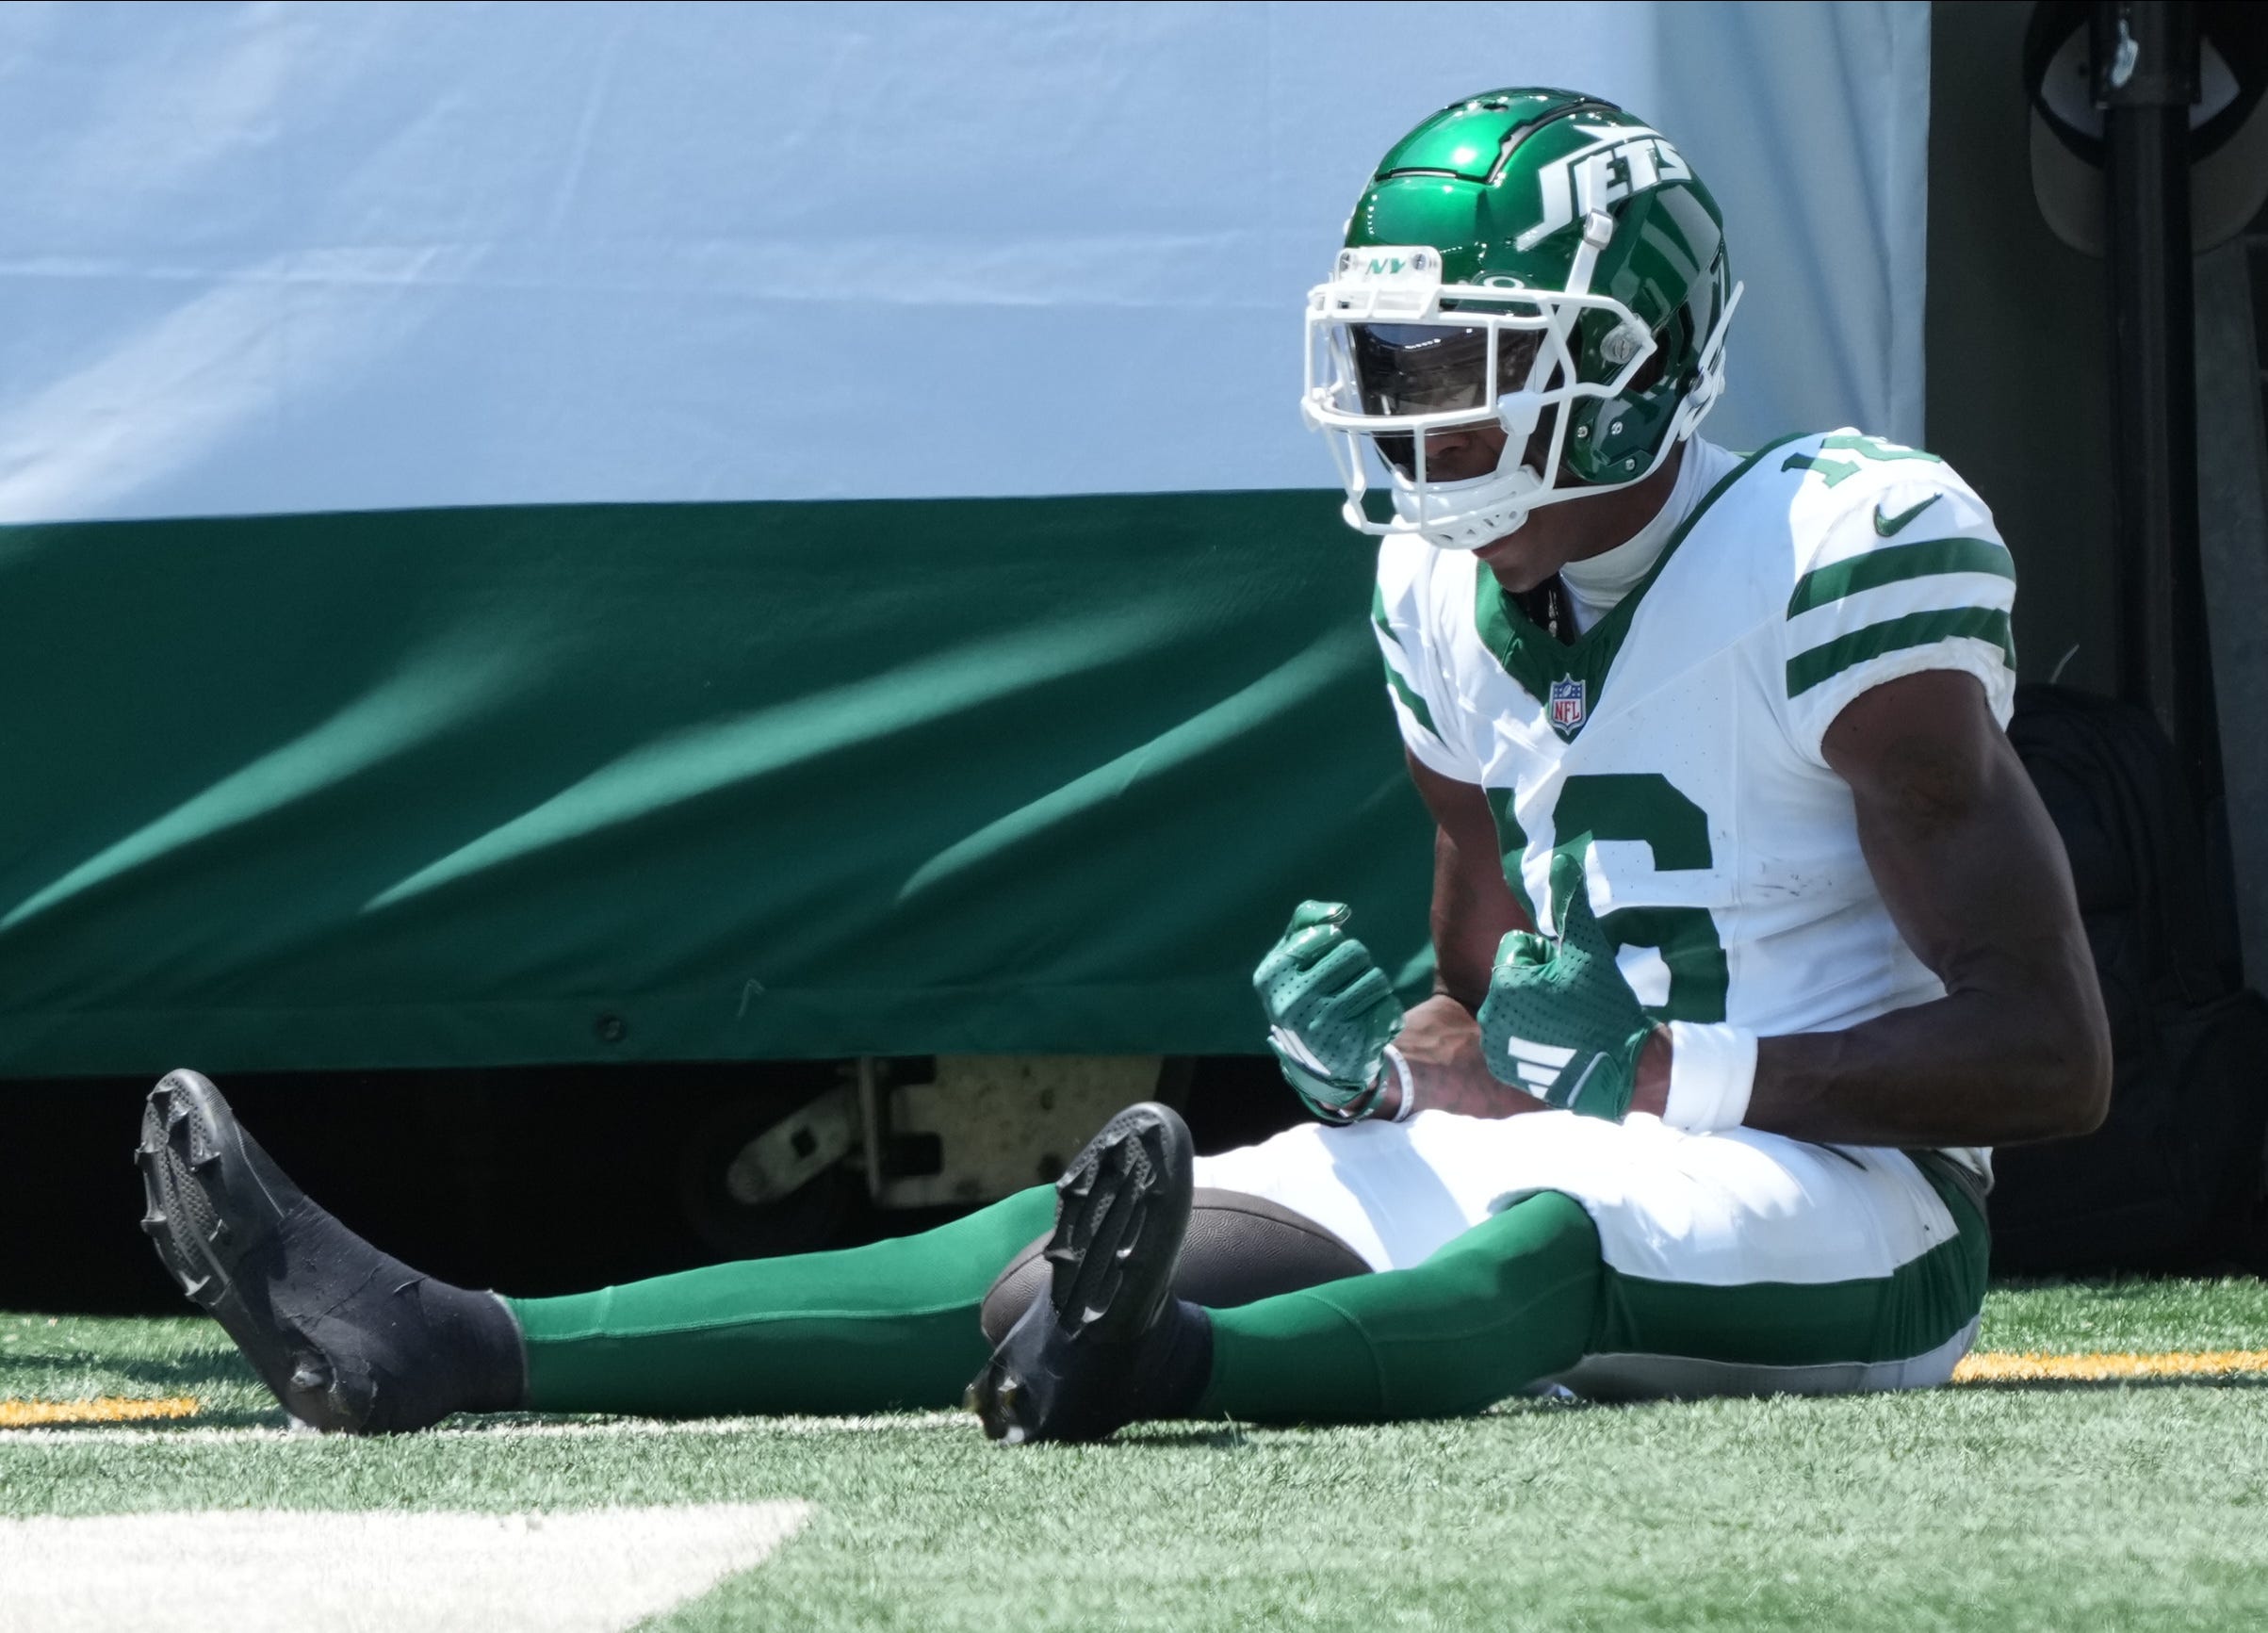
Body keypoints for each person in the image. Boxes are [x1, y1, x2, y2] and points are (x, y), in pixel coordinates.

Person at [136, 89, 2109, 1445]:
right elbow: (1497, 1015)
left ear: (1632, 365)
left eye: (1465, 363)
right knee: (1041, 1269)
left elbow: (2049, 1059)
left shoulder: (1829, 553)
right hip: (1615, 1142)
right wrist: (1391, 1056)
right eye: (1394, 366)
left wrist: (1676, 1075)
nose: (1406, 416)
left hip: (1862, 1205)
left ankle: (1173, 1382)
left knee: (1549, 1242)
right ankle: (453, 1343)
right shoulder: (1437, 593)